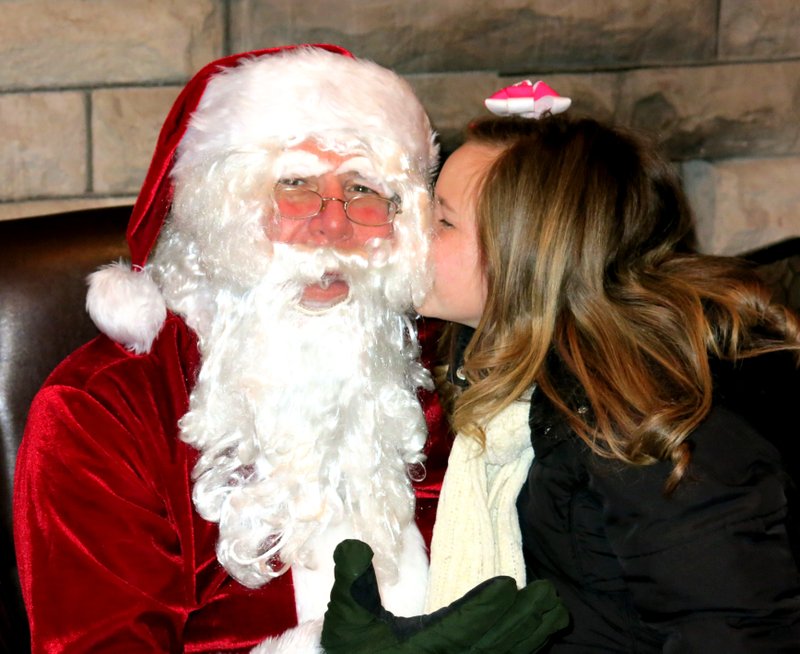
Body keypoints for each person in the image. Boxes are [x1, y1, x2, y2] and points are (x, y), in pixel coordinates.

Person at [13, 44, 453, 653]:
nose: (333, 225)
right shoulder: (101, 409)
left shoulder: (426, 365)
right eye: (294, 183)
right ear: (217, 209)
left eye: (361, 189)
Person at [417, 90, 800, 651]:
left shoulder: (637, 416)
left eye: (443, 220)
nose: (414, 232)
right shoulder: (500, 366)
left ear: (528, 257)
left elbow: (734, 628)